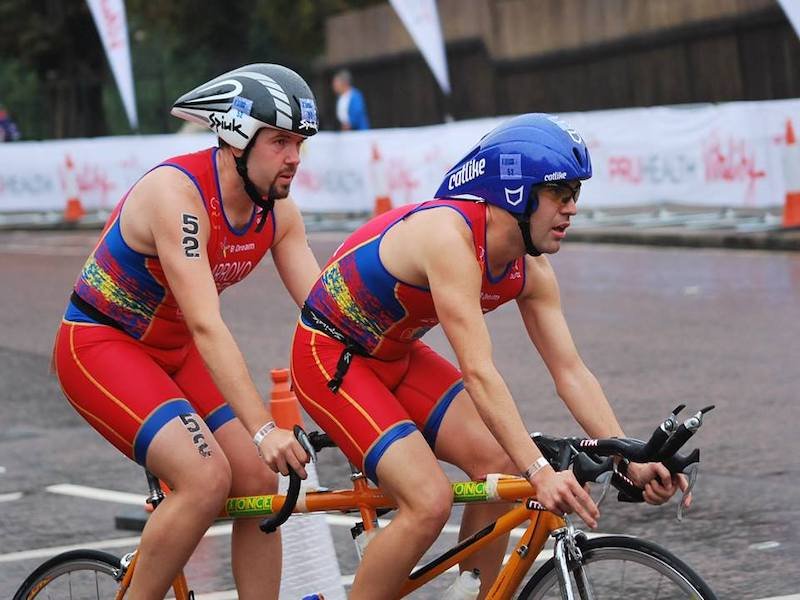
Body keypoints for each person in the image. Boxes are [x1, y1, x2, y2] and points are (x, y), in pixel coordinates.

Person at [290, 113, 691, 599]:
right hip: (330, 354)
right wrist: (540, 472)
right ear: (519, 193)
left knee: (502, 461)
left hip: (395, 355)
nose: (572, 209)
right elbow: (479, 372)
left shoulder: (531, 270)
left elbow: (571, 373)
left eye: (576, 195)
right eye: (560, 193)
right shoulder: (449, 238)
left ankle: (470, 593)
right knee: (429, 500)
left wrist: (630, 457)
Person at [53, 63, 320, 600]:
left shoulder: (278, 212)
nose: (294, 157)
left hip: (173, 351)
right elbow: (206, 323)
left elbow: (326, 311)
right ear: (239, 138)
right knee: (204, 479)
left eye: (300, 143)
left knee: (259, 483)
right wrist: (265, 430)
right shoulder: (178, 195)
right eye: (281, 141)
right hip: (102, 344)